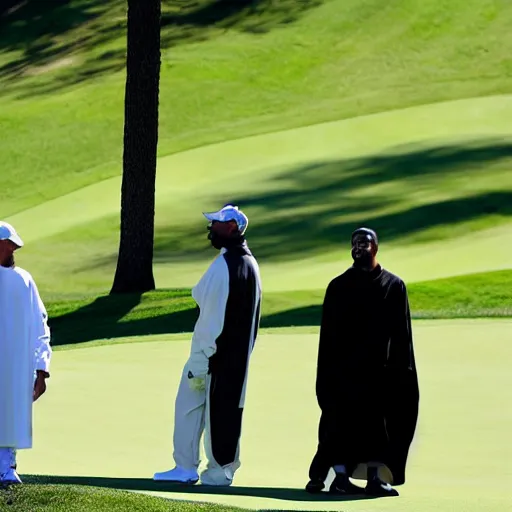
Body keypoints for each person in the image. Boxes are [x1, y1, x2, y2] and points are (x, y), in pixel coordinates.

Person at [305, 227, 419, 497]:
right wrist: (328, 377)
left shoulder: (394, 286)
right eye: (354, 244)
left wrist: (402, 372)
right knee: (338, 425)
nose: (358, 248)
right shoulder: (338, 287)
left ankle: (375, 479)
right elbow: (328, 339)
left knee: (380, 429)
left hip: (381, 373)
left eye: (364, 244)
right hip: (344, 372)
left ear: (376, 248)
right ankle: (340, 478)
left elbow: (402, 335)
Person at [154, 205, 262, 486]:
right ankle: (216, 471)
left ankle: (189, 468)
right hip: (234, 358)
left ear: (232, 228)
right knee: (224, 413)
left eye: (217, 224)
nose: (211, 228)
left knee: (194, 410)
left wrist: (201, 362)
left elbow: (212, 321)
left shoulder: (227, 265)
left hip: (212, 358)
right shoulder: (248, 263)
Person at [0, 221, 52, 485]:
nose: (12, 249)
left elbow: (39, 323)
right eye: (8, 244)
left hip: (16, 363)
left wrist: (42, 368)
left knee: (11, 414)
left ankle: (7, 468)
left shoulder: (24, 280)